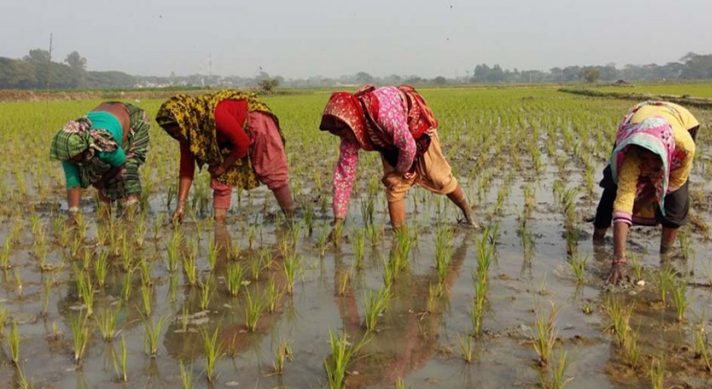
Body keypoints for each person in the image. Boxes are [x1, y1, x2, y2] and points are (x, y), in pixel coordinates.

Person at [319, 84, 479, 230]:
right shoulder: (350, 136)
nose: (344, 136)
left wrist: (399, 171)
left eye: (344, 131)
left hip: (418, 131)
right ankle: (400, 237)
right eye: (338, 134)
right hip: (390, 142)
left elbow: (409, 146)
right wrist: (339, 219)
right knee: (395, 185)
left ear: (351, 120)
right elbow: (344, 175)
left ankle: (468, 211)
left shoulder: (382, 114)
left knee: (440, 177)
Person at [593, 101, 699, 283]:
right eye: (645, 159)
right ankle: (597, 242)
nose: (649, 165)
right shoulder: (631, 153)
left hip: (682, 123)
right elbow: (624, 198)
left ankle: (665, 257)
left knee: (676, 201)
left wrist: (641, 203)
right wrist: (619, 259)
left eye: (654, 159)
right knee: (612, 188)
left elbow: (671, 184)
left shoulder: (685, 149)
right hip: (637, 126)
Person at [155, 89, 293, 224]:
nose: (176, 135)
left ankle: (291, 216)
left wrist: (223, 166)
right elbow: (186, 170)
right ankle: (219, 225)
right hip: (227, 138)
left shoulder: (217, 115)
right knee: (219, 177)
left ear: (185, 119)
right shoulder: (188, 132)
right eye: (171, 132)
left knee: (272, 170)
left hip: (255, 123)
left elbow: (242, 143)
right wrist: (180, 206)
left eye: (176, 129)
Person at [50, 101, 150, 224]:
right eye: (68, 158)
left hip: (132, 119)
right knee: (99, 169)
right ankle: (105, 211)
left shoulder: (103, 145)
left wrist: (103, 182)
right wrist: (73, 215)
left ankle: (131, 216)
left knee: (129, 168)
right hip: (108, 117)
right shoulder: (68, 151)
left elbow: (122, 165)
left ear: (82, 148)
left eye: (74, 158)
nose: (71, 161)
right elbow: (73, 184)